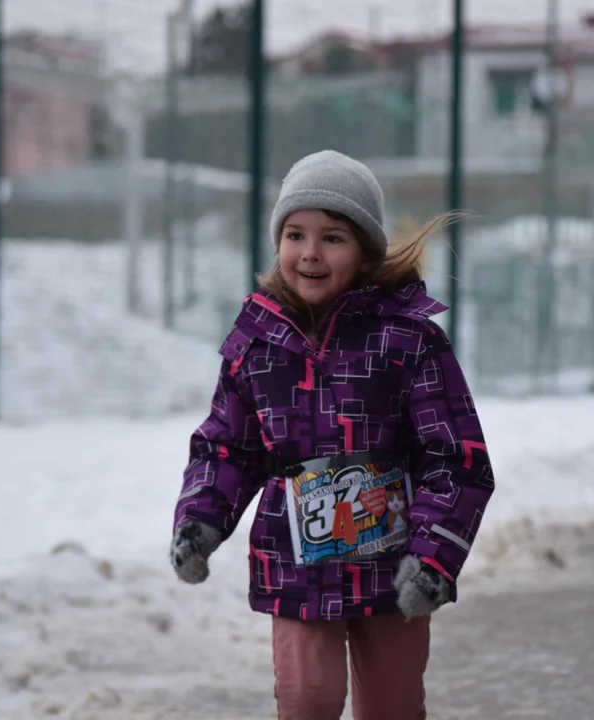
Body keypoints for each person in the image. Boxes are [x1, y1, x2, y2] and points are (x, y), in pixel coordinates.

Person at [170, 150, 494, 720]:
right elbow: (227, 443)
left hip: (392, 564)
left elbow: (457, 458)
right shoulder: (258, 342)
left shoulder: (407, 340)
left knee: (391, 707)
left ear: (366, 248)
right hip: (294, 561)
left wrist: (433, 556)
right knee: (307, 702)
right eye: (296, 234)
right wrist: (201, 517)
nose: (311, 253)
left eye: (333, 237)